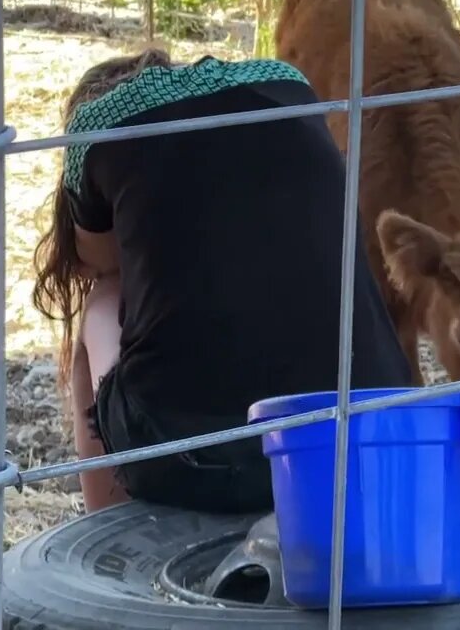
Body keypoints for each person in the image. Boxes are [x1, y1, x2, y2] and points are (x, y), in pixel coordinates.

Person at [32, 49, 413, 514]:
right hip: (380, 433)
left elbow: (96, 261)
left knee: (102, 299)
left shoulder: (99, 125)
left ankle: (107, 530)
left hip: (195, 462)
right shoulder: (288, 85)